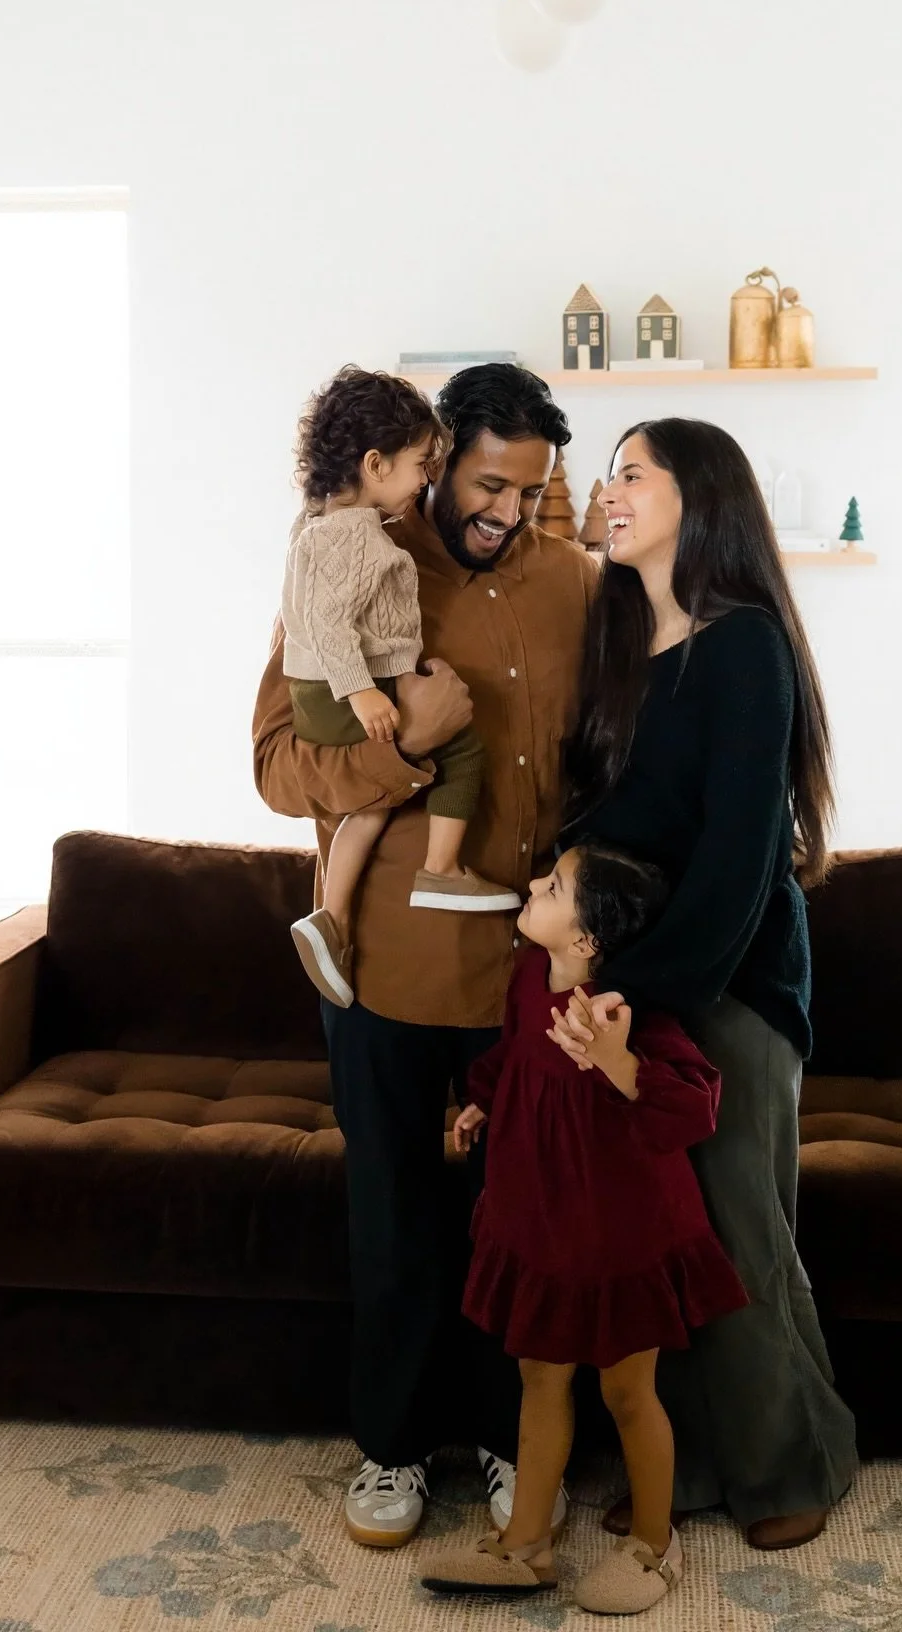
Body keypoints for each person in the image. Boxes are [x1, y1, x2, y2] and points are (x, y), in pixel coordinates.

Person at [252, 362, 600, 1547]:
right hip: (385, 965)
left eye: (530, 489)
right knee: (396, 1216)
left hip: (524, 967)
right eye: (488, 481)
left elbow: (603, 763)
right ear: (437, 460)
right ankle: (394, 1453)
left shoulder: (576, 589)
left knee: (527, 1218)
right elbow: (276, 767)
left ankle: (516, 1441)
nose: (505, 509)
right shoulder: (351, 561)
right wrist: (413, 754)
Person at [551, 417, 858, 1552]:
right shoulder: (621, 646)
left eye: (634, 473)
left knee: (736, 1230)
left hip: (726, 984)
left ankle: (790, 1462)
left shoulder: (746, 647)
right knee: (652, 1242)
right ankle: (674, 1472)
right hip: (627, 987)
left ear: (701, 496)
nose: (609, 492)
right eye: (608, 475)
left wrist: (645, 991)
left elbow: (737, 858)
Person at [418, 844, 748, 1615]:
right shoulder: (531, 977)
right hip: (539, 1219)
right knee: (539, 1377)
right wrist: (482, 1103)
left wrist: (614, 1059)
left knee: (630, 1393)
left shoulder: (627, 1012)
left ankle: (655, 1548)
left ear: (589, 940)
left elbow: (693, 1108)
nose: (535, 885)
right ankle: (526, 1545)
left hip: (619, 1234)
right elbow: (516, 1057)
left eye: (555, 885)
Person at [281, 367, 520, 1009]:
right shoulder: (356, 535)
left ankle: (333, 920)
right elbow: (330, 624)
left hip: (329, 689)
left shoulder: (316, 524)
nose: (424, 480)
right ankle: (439, 870)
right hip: (343, 691)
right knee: (454, 754)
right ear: (374, 462)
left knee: (368, 810)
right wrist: (363, 691)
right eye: (420, 465)